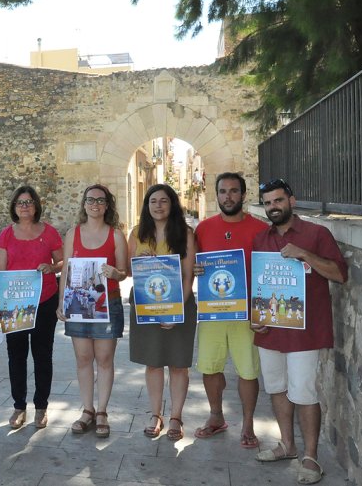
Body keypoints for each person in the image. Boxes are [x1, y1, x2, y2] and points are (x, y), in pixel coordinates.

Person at [252, 179, 348, 485]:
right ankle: (287, 445)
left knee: (304, 392)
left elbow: (339, 274)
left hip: (304, 333)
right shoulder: (260, 239)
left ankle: (311, 457)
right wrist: (253, 317)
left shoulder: (316, 234)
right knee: (277, 388)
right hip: (269, 330)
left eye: (278, 201)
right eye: (267, 203)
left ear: (292, 201)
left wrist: (305, 254)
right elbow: (256, 284)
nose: (273, 207)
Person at [192, 172, 268, 448]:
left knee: (248, 371)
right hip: (212, 312)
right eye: (223, 191)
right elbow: (190, 263)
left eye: (234, 191)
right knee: (210, 367)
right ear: (217, 195)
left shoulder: (260, 229)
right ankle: (216, 417)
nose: (228, 196)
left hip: (246, 313)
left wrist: (263, 313)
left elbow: (266, 272)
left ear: (244, 195)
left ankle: (248, 425)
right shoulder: (203, 228)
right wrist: (195, 268)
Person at [56, 184, 128, 438]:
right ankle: (87, 410)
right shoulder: (72, 234)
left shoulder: (116, 235)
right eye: (90, 200)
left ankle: (102, 412)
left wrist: (115, 273)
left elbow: (124, 272)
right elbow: (66, 269)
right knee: (83, 358)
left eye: (100, 200)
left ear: (107, 205)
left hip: (108, 306)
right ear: (84, 204)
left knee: (105, 359)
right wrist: (61, 301)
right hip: (78, 306)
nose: (95, 204)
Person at [0, 186, 63, 429]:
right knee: (16, 356)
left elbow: (64, 261)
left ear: (36, 206)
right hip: (15, 303)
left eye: (29, 202)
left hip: (44, 300)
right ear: (14, 207)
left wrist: (52, 268)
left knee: (43, 355)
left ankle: (41, 407)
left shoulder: (49, 232)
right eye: (20, 202)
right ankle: (19, 406)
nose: (24, 206)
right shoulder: (6, 235)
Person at [128, 184, 197, 441]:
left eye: (164, 201)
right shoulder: (136, 234)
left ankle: (176, 417)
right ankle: (155, 414)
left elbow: (189, 277)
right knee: (153, 362)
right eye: (153, 201)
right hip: (146, 306)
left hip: (180, 305)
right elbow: (128, 271)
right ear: (147, 206)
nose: (158, 205)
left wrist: (175, 312)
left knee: (179, 364)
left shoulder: (186, 234)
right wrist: (141, 259)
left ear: (172, 204)